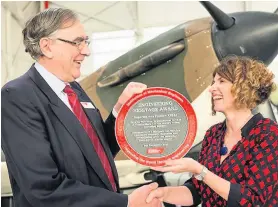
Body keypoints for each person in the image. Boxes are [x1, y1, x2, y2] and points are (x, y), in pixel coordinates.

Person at [1, 8, 161, 207]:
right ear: (47, 46)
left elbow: (98, 152)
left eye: (86, 41)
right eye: (77, 42)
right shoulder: (18, 95)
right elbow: (42, 187)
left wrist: (120, 109)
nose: (86, 50)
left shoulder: (74, 89)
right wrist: (125, 203)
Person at [146, 56, 278, 207]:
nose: (212, 88)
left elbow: (252, 200)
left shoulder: (267, 132)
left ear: (243, 87)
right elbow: (197, 192)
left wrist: (200, 171)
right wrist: (163, 194)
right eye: (213, 82)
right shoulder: (213, 134)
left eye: (221, 81)